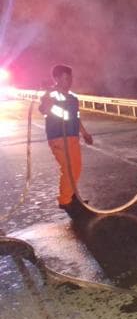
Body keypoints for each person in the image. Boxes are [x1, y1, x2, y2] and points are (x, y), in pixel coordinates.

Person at [39, 64, 93, 214]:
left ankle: (72, 196)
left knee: (76, 167)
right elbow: (43, 109)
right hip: (58, 137)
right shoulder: (50, 95)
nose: (69, 81)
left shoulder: (73, 98)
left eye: (70, 78)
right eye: (65, 78)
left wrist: (85, 133)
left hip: (72, 136)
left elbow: (76, 118)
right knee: (70, 168)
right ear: (56, 79)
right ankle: (65, 201)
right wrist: (46, 100)